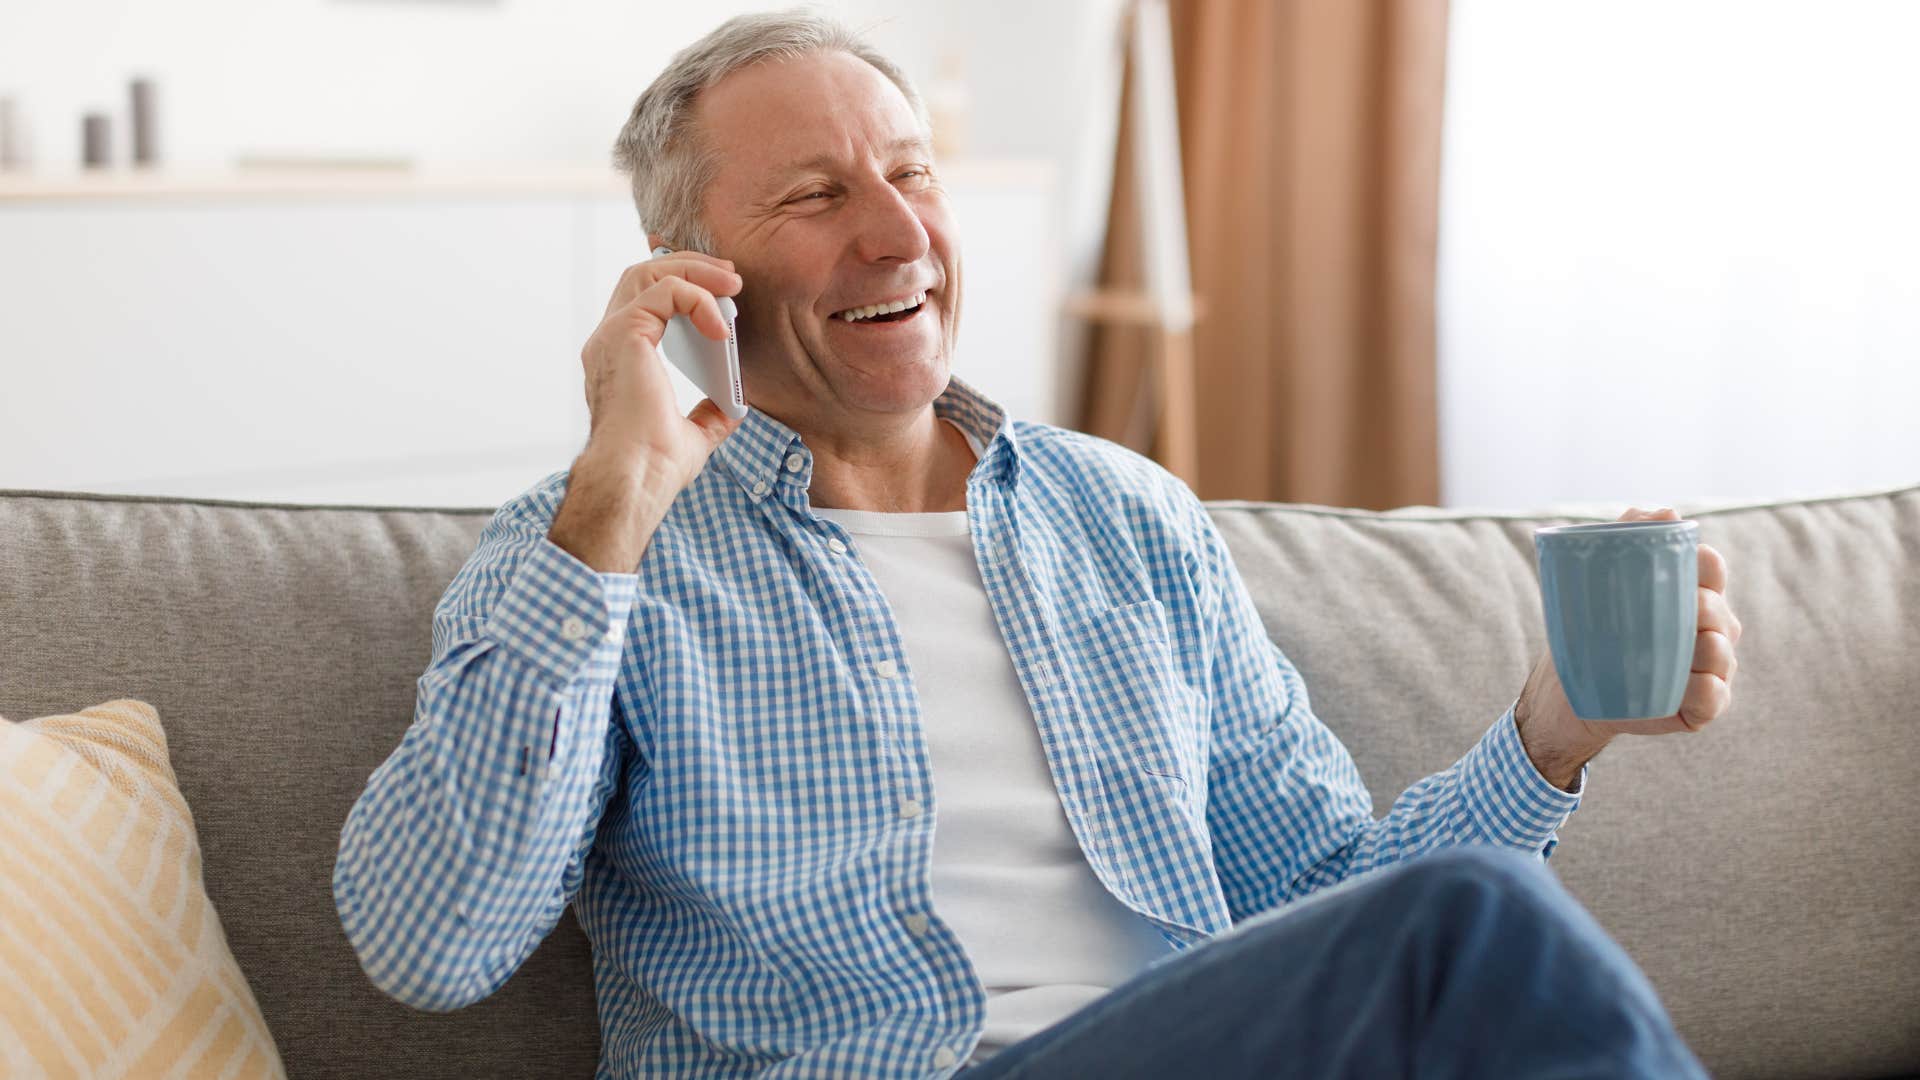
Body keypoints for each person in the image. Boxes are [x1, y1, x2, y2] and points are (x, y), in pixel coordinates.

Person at [333, 11, 1742, 1078]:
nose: (900, 235)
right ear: (693, 283)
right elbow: (428, 944)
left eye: (909, 173)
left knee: (1469, 914)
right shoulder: (590, 555)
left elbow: (1321, 902)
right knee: (1471, 919)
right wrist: (608, 514)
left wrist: (1548, 738)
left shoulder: (1123, 518)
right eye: (817, 198)